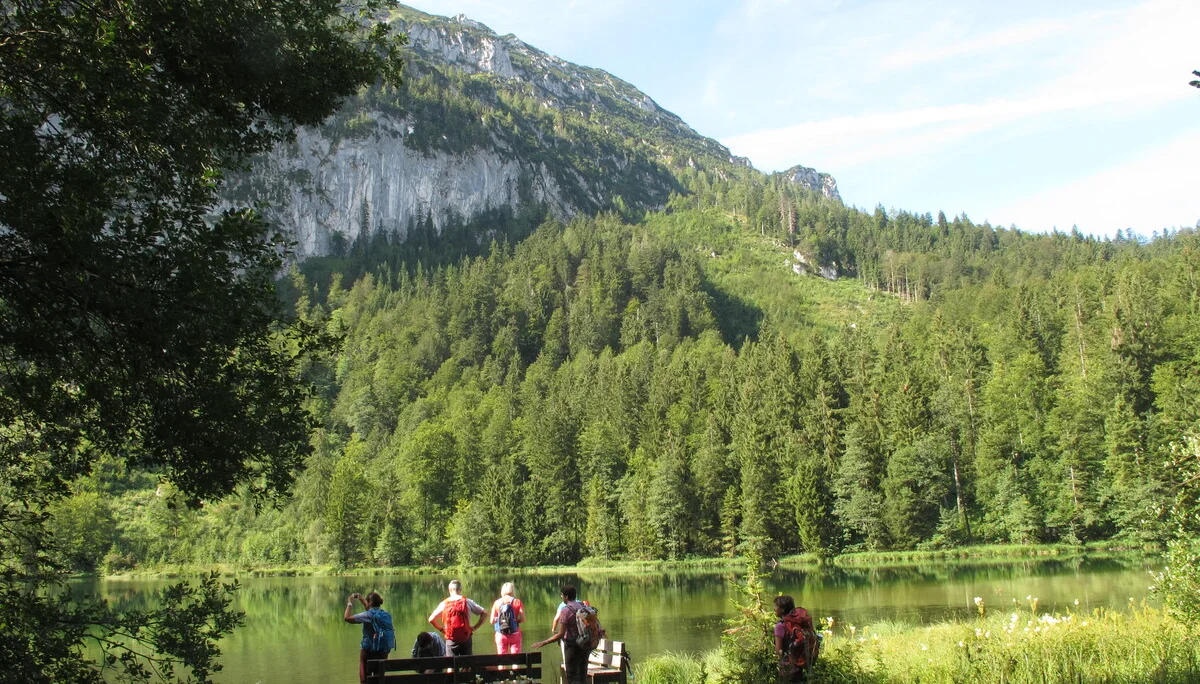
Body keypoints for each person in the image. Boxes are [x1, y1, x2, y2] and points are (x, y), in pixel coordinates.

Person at [532, 584, 602, 684]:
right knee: (583, 676)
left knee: (572, 677)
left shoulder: (566, 611)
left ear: (566, 597)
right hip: (585, 645)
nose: (561, 597)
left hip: (572, 647)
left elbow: (561, 634)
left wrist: (545, 642)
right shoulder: (582, 606)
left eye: (562, 595)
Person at [344, 591, 395, 684]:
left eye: (367, 602)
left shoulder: (368, 615)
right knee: (377, 677)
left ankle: (363, 682)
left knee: (363, 654)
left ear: (370, 602)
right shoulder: (386, 615)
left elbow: (347, 618)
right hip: (383, 651)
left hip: (369, 651)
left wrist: (350, 602)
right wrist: (363, 600)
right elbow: (370, 610)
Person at [429, 579, 487, 656]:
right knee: (467, 663)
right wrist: (474, 627)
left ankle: (451, 668)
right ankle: (466, 668)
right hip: (466, 637)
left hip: (451, 638)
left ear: (449, 590)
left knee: (450, 665)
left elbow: (431, 619)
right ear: (460, 590)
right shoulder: (467, 601)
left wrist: (442, 629)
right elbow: (484, 614)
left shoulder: (444, 603)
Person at [773, 595, 819, 683]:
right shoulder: (799, 622)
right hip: (805, 664)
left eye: (776, 606)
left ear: (782, 609)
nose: (774, 609)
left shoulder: (780, 626)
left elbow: (779, 650)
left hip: (789, 667)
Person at [490, 581, 527, 655]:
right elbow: (523, 619)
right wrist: (515, 622)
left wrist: (500, 620)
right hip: (515, 632)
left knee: (502, 660)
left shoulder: (497, 603)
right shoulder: (517, 602)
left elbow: (491, 621)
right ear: (513, 591)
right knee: (515, 660)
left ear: (502, 591)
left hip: (501, 634)